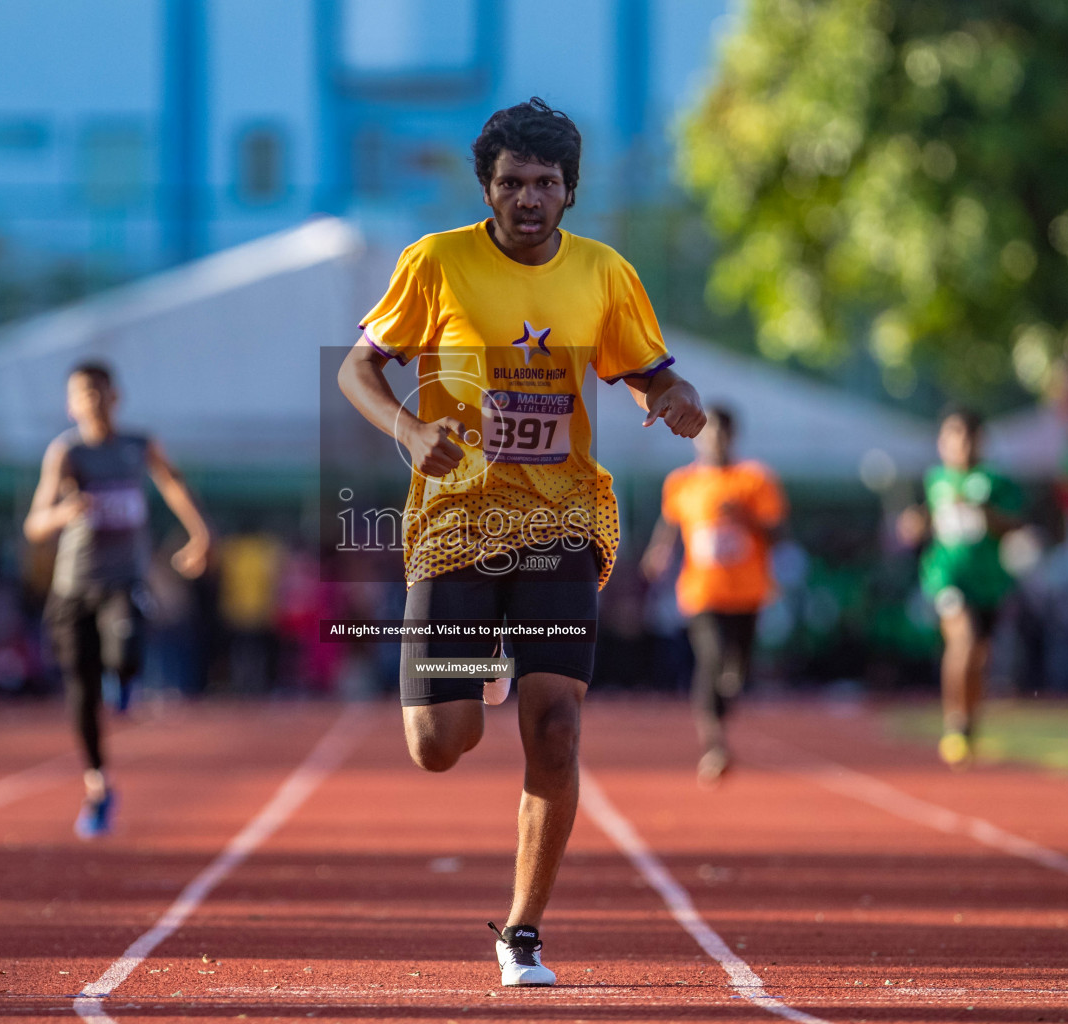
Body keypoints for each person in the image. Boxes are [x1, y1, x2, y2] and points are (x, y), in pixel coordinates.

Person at [337, 98, 704, 987]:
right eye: (511, 184)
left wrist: (673, 398)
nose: (528, 199)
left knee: (558, 725)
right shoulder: (435, 263)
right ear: (488, 191)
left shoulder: (604, 274)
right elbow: (358, 367)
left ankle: (523, 934)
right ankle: (482, 665)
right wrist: (408, 430)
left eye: (545, 184)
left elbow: (650, 371)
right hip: (458, 518)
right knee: (439, 742)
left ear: (571, 192)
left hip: (562, 515)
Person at [24, 361, 210, 838]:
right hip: (73, 588)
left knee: (125, 649)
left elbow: (172, 481)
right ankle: (99, 787)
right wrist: (65, 512)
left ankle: (125, 677)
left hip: (123, 580)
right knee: (81, 694)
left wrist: (200, 532)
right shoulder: (67, 453)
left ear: (115, 397)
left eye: (99, 391)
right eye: (82, 393)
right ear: (70, 404)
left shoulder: (136, 446)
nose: (92, 400)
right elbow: (35, 523)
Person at [641, 405, 786, 785]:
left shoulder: (755, 480)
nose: (714, 440)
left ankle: (726, 702)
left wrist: (745, 517)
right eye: (708, 433)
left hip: (748, 592)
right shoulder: (681, 483)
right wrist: (658, 553)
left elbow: (778, 533)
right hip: (702, 592)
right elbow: (670, 526)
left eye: (722, 432)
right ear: (698, 437)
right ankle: (715, 745)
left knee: (735, 672)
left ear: (733, 436)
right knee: (711, 660)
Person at [896, 407, 1022, 769]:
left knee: (979, 657)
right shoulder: (935, 480)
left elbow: (1015, 524)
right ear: (942, 443)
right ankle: (956, 723)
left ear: (981, 441)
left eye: (969, 438)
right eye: (954, 438)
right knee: (962, 639)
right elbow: (924, 522)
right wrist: (914, 525)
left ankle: (971, 726)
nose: (961, 446)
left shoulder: (996, 482)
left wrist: (985, 511)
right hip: (946, 577)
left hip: (989, 581)